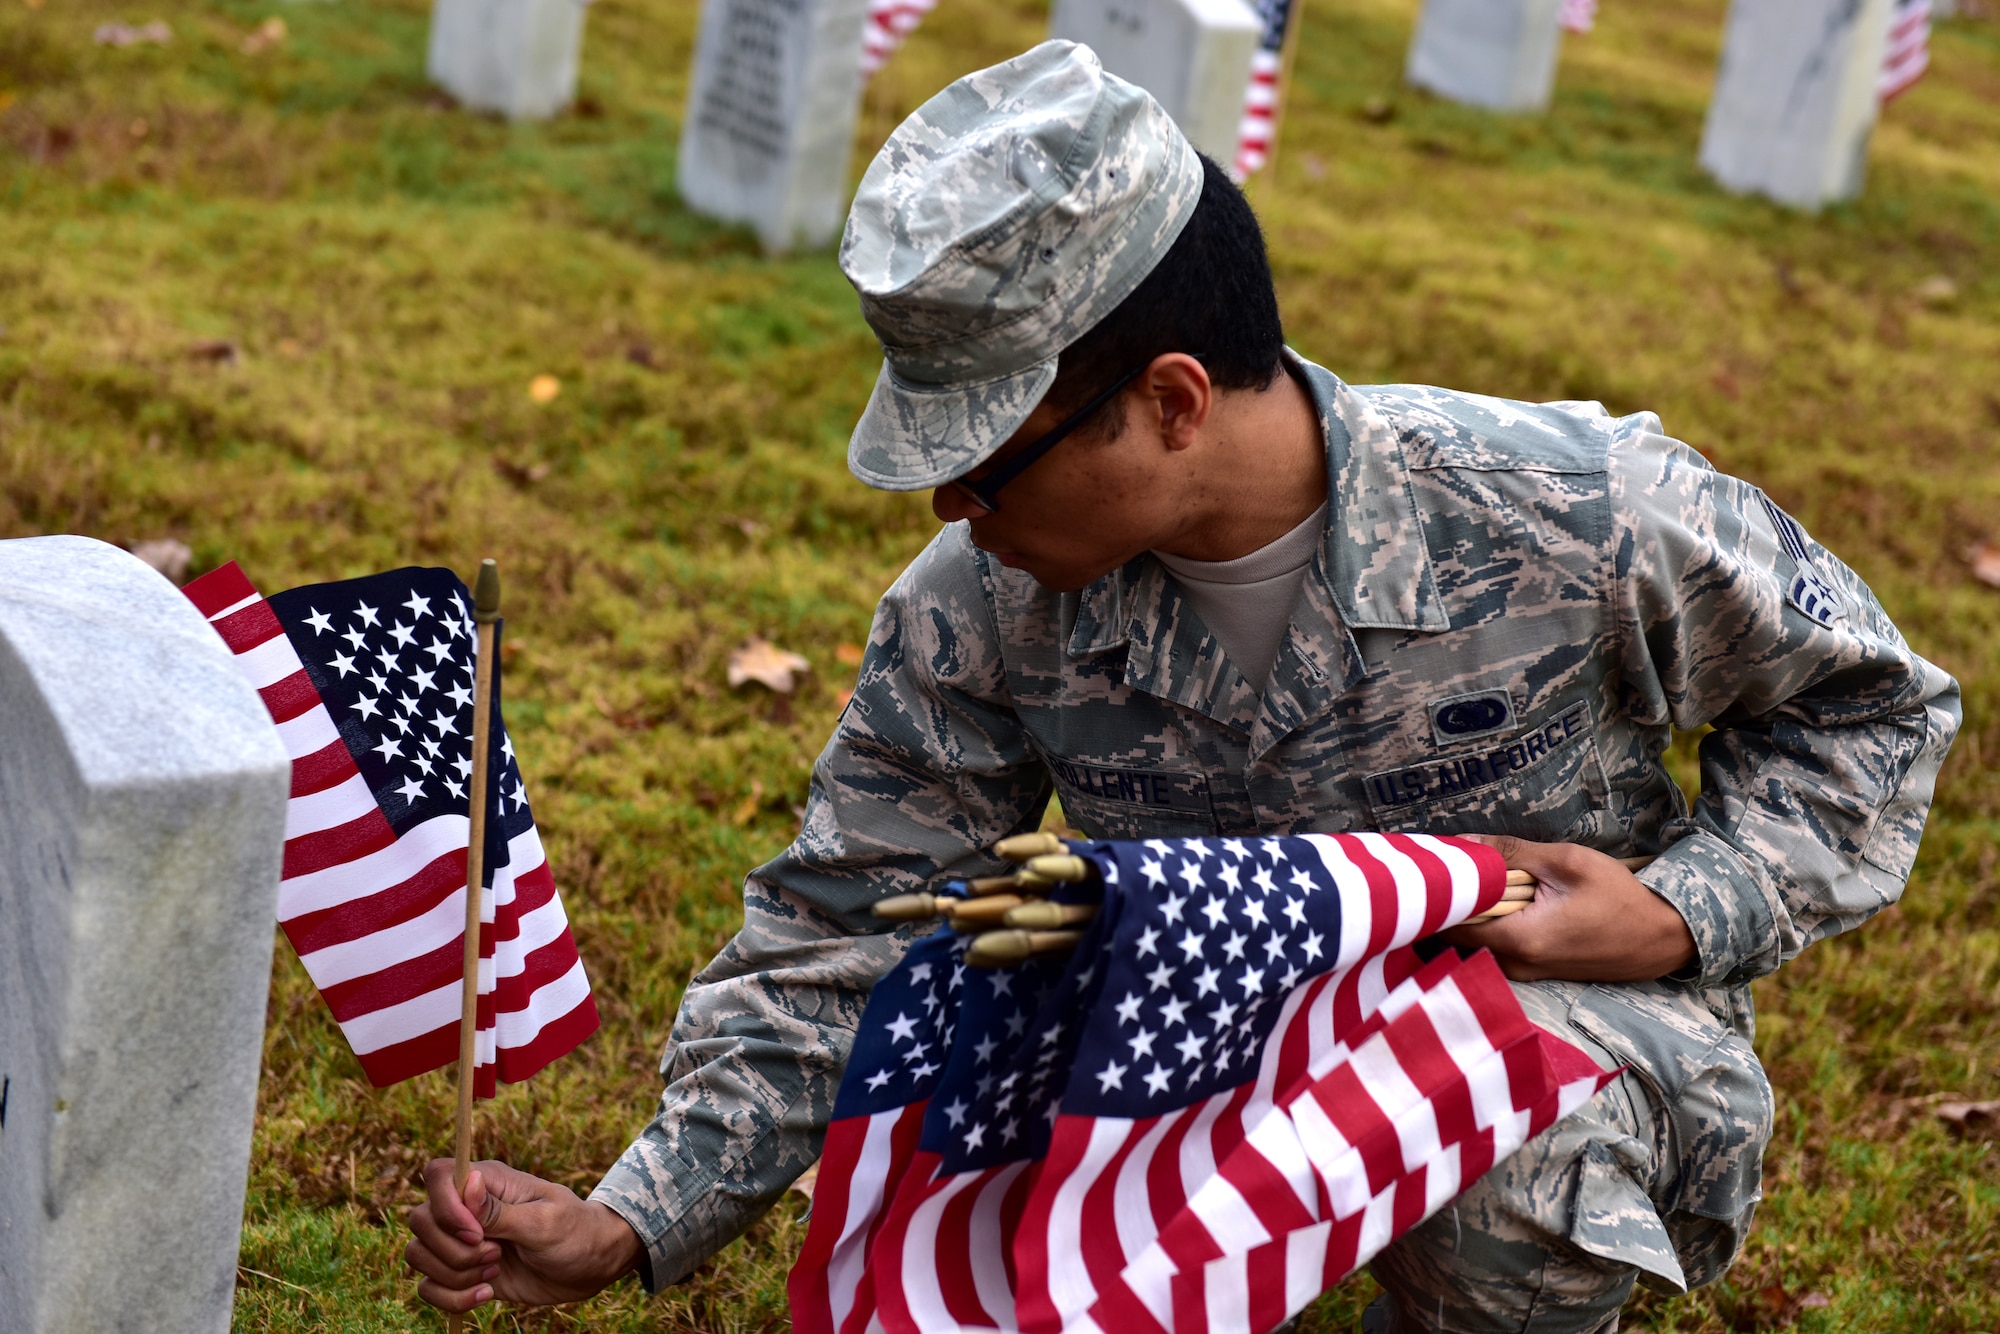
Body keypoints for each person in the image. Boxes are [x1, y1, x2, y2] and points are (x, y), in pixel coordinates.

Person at [403, 42, 1959, 1332]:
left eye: (986, 462)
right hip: (1175, 1044)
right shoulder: (983, 605)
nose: (950, 511)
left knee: (1519, 1138)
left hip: (1545, 1026)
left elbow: (1875, 710)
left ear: (1168, 402)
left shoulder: (1579, 508)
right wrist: (630, 1216)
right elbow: (850, 919)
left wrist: (1686, 908)